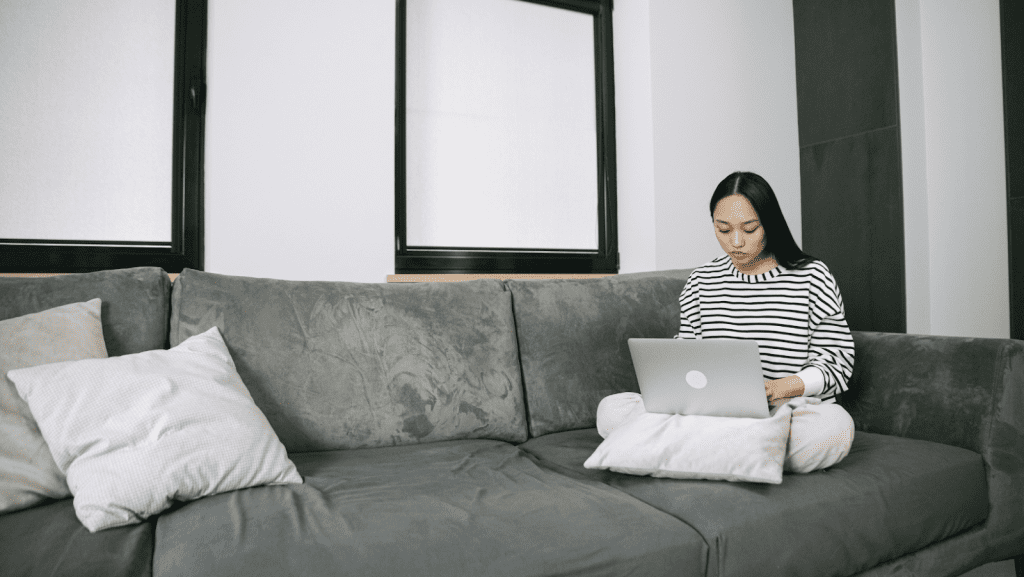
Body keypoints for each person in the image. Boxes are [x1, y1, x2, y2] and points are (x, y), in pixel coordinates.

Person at [597, 171, 856, 473]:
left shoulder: (813, 276)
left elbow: (836, 364)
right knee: (611, 411)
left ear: (769, 223)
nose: (735, 242)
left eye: (749, 229)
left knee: (833, 429)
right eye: (723, 229)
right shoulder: (701, 280)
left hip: (785, 412)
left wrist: (779, 388)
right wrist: (678, 389)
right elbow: (686, 355)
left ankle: (683, 456)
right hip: (712, 414)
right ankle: (744, 458)